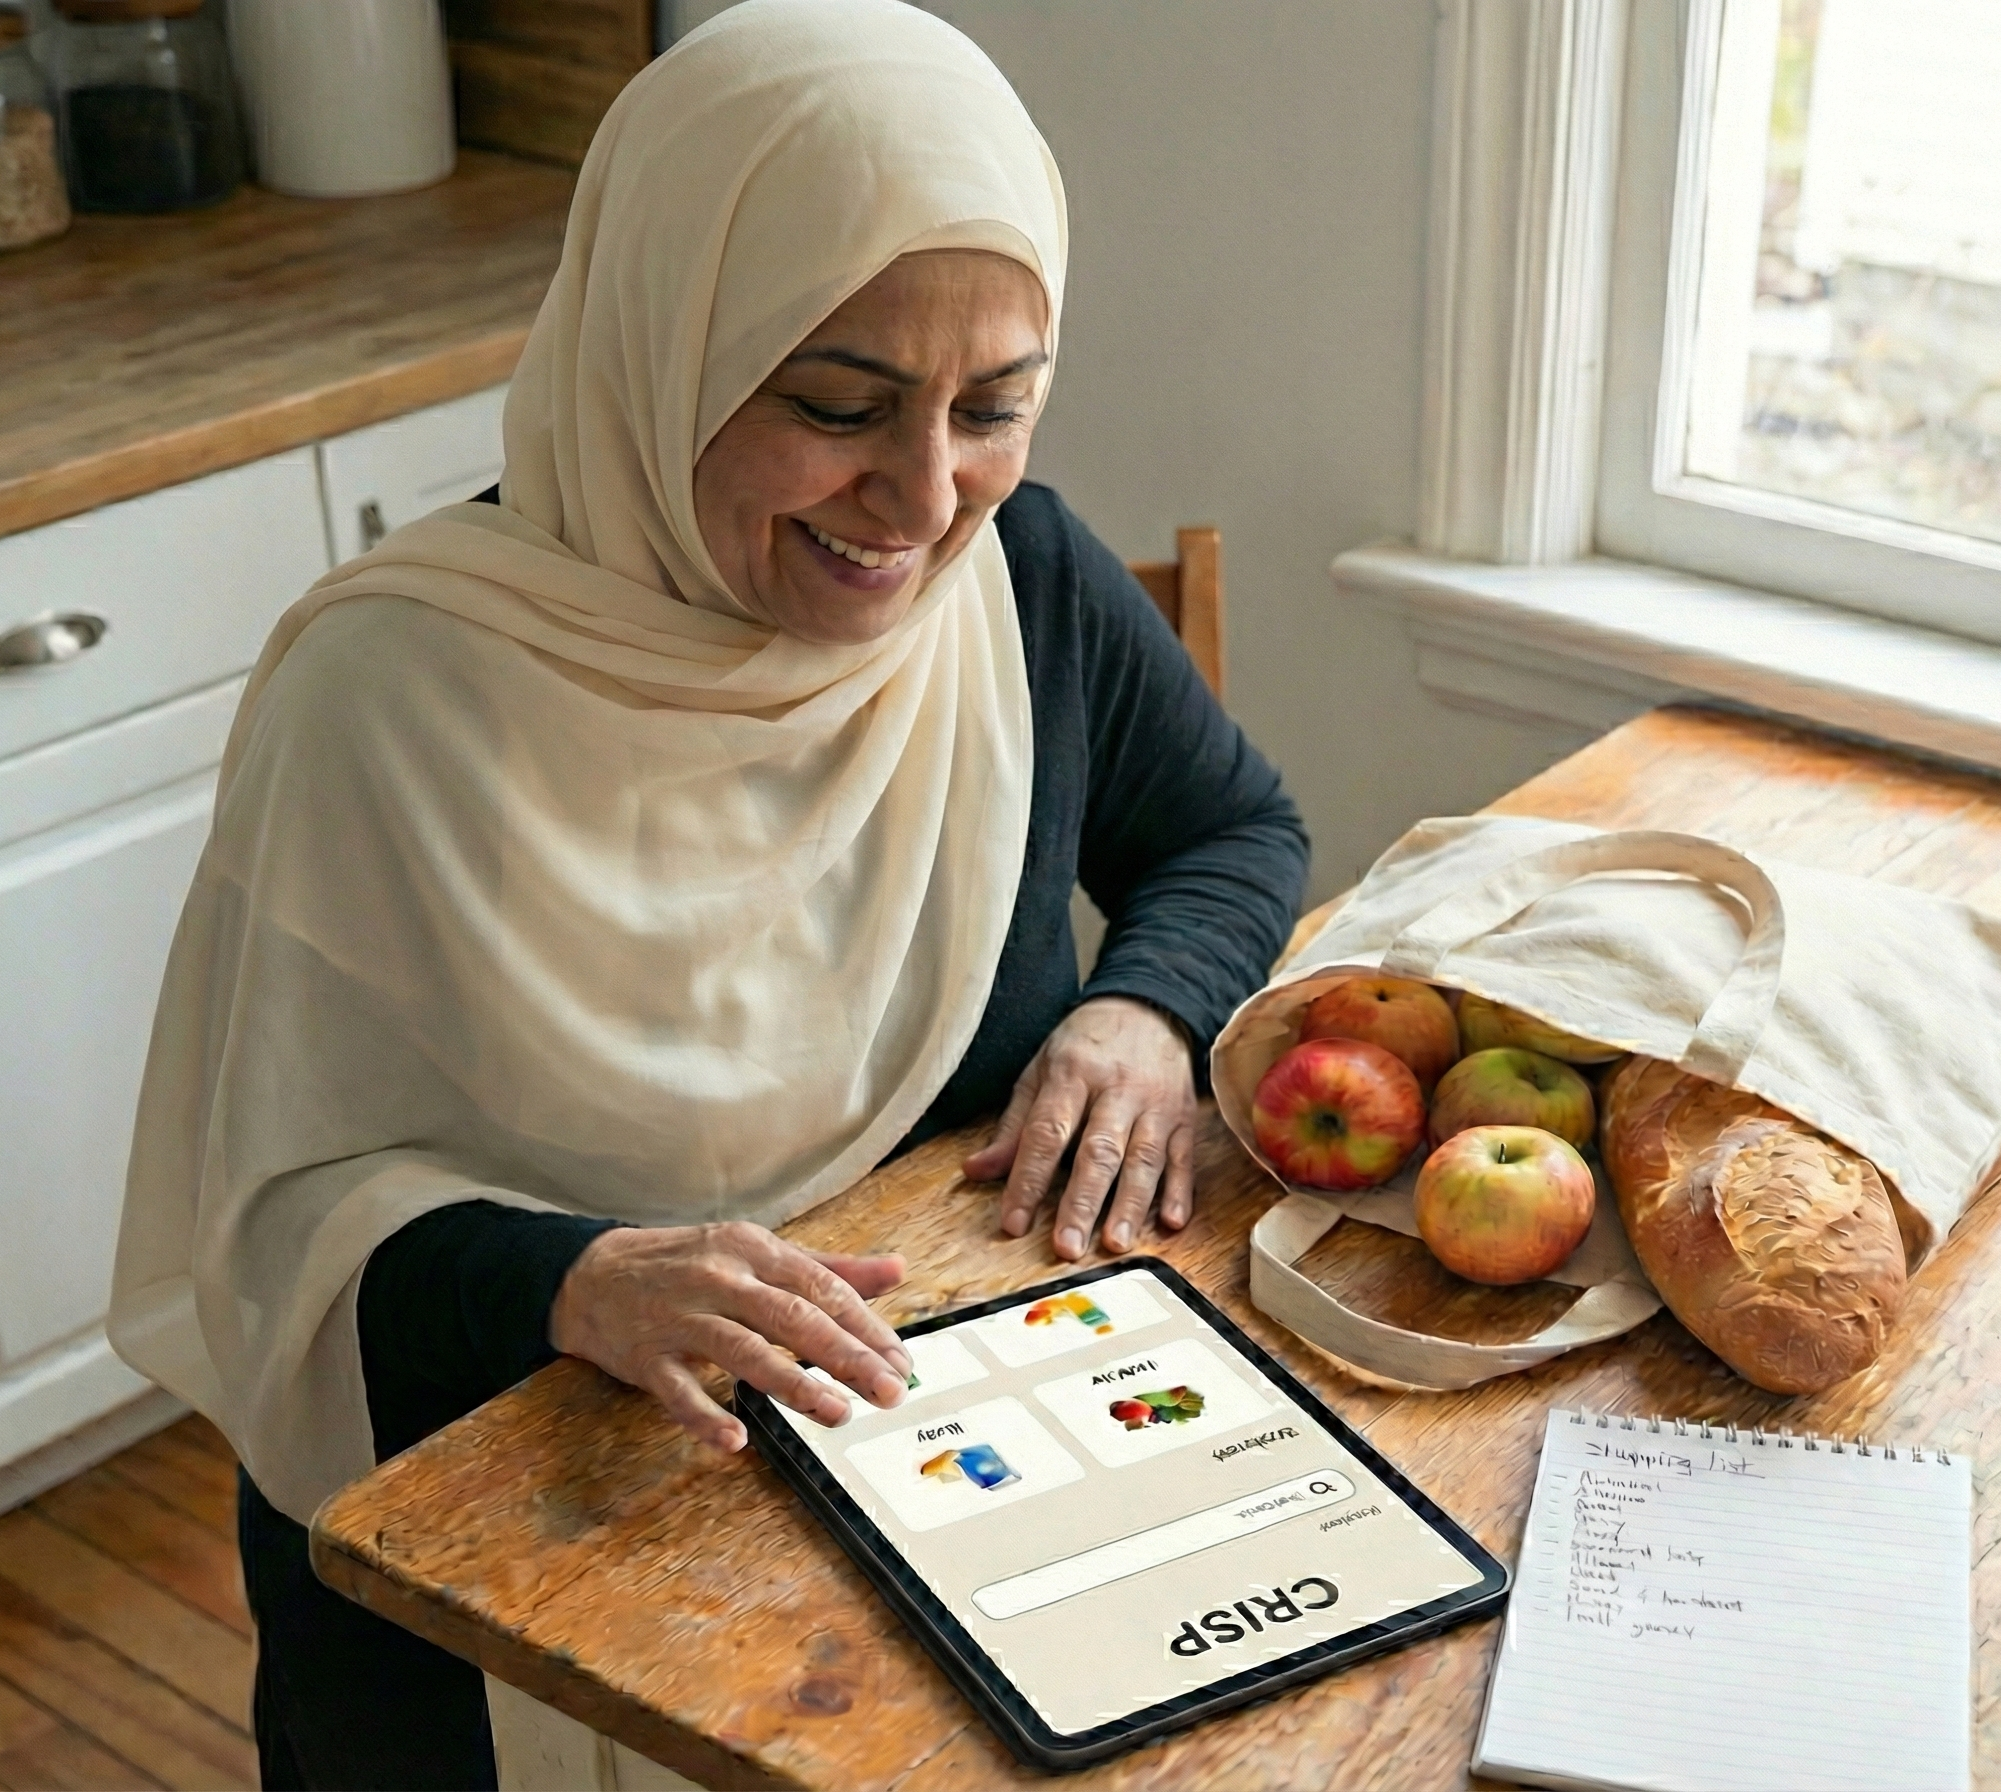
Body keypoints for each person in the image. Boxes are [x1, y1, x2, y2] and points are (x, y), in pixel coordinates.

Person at [106, 5, 1307, 1785]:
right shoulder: (390, 692)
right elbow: (280, 1223)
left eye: (994, 409)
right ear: (659, 345)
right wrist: (574, 1280)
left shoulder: (1019, 586)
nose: (920, 501)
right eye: (837, 407)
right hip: (501, 1564)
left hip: (935, 1491)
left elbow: (1234, 832)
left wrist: (1146, 1009)